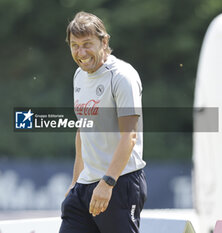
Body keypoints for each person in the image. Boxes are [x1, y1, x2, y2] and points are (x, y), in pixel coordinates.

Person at [59, 11, 147, 233]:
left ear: (104, 41)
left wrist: (107, 183)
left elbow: (130, 135)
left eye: (87, 44)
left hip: (120, 183)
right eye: (74, 45)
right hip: (85, 186)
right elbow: (83, 129)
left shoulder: (122, 76)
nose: (81, 52)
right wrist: (75, 182)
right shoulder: (79, 75)